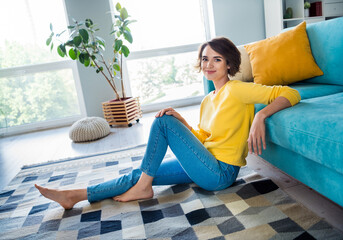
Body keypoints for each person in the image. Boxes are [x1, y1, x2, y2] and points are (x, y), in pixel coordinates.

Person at [35, 37, 301, 209]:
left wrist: (260, 115)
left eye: (216, 59)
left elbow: (290, 93)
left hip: (221, 173)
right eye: (205, 58)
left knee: (162, 124)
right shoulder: (209, 99)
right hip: (206, 161)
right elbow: (205, 137)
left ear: (229, 64)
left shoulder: (237, 90)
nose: (209, 64)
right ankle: (76, 196)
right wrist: (184, 123)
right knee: (141, 173)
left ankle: (142, 189)